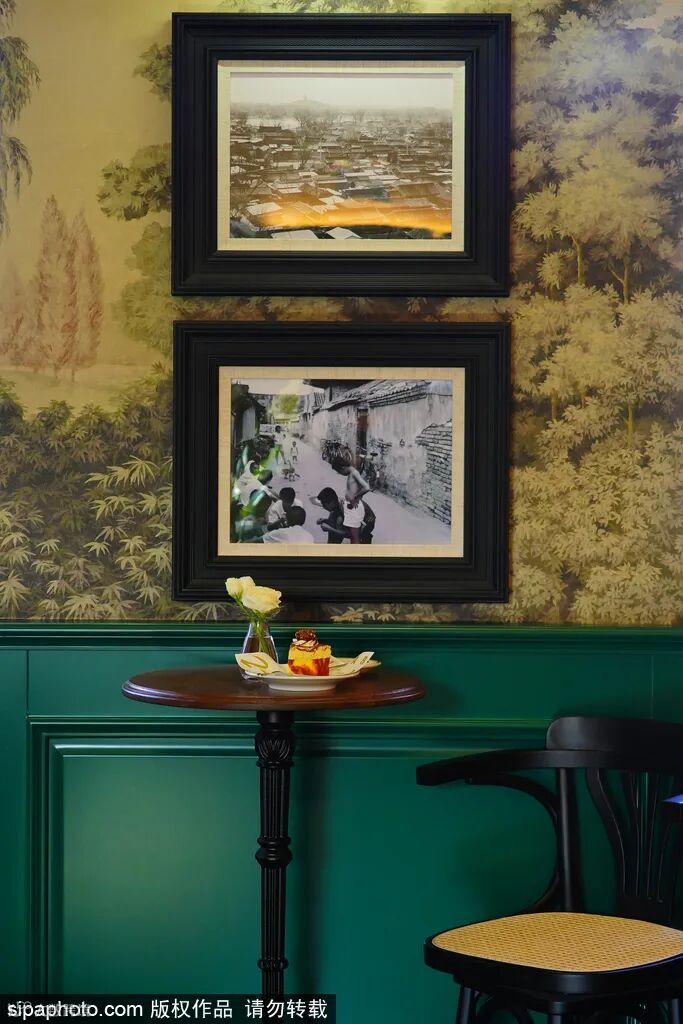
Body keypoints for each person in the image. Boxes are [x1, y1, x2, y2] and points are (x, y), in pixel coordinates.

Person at [334, 459, 371, 544]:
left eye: (339, 471)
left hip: (354, 508)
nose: (340, 474)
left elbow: (367, 487)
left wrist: (355, 497)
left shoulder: (354, 473)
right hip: (351, 506)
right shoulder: (351, 473)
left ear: (343, 468)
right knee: (352, 535)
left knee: (355, 538)